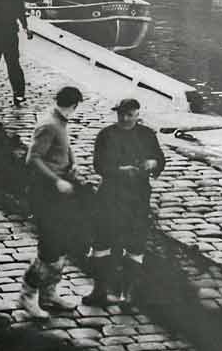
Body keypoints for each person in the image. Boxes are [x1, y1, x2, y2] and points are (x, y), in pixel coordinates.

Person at [85, 98, 166, 307]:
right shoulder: (106, 135)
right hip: (110, 194)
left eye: (130, 115)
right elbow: (99, 165)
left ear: (138, 115)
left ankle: (127, 293)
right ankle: (99, 290)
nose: (125, 118)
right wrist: (121, 171)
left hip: (138, 196)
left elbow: (160, 158)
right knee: (102, 240)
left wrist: (153, 162)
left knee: (135, 241)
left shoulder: (147, 135)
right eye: (121, 114)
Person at [18, 85, 85, 320]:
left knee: (62, 242)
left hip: (61, 195)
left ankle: (49, 293)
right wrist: (56, 180)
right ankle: (28, 295)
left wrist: (73, 162)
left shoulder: (60, 121)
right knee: (49, 248)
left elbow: (65, 146)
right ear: (74, 105)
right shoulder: (49, 124)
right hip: (46, 194)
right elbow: (32, 158)